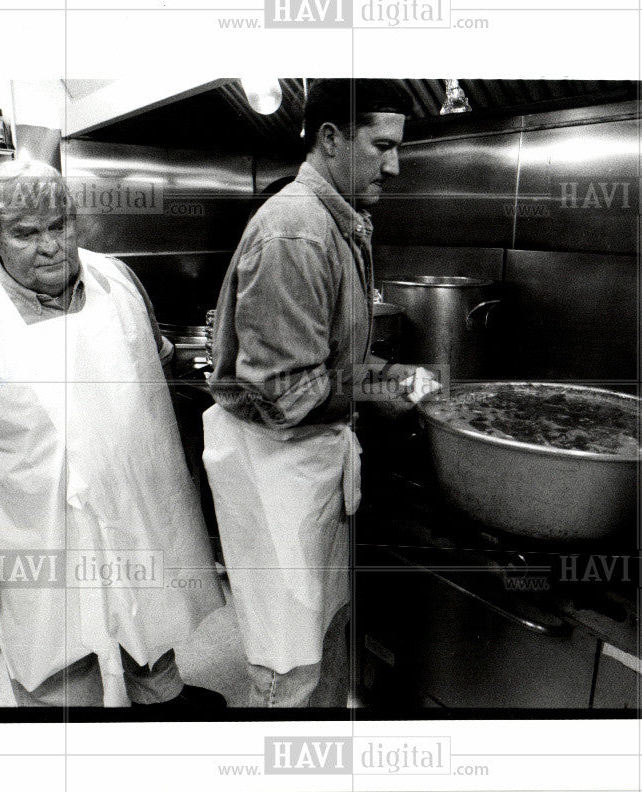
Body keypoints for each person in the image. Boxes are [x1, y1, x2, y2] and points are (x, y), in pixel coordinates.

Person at [0, 159, 226, 709]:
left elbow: (156, 365)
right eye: (26, 233)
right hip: (35, 520)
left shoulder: (118, 281)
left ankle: (161, 699)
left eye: (60, 226)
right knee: (53, 645)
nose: (51, 246)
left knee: (149, 608)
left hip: (135, 496)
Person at [203, 78, 426, 707]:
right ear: (331, 138)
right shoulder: (296, 230)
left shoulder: (340, 220)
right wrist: (383, 390)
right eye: (382, 145)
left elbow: (333, 354)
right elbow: (285, 392)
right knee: (287, 659)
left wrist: (389, 370)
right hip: (275, 464)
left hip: (308, 463)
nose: (396, 164)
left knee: (320, 631)